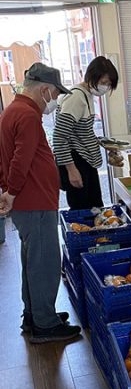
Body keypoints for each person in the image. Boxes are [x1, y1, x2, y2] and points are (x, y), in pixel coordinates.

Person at [0, 63, 81, 343]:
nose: (56, 100)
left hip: (29, 201)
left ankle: (35, 315)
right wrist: (10, 192)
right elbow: (20, 161)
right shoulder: (27, 115)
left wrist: (8, 191)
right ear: (45, 90)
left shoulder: (14, 110)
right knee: (45, 261)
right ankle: (45, 325)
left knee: (32, 260)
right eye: (56, 94)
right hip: (33, 202)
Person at [53, 55, 118, 209]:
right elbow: (60, 137)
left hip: (86, 161)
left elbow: (82, 132)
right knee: (83, 212)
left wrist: (106, 143)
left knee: (95, 208)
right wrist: (72, 170)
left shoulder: (87, 95)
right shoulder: (76, 97)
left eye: (109, 85)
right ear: (91, 76)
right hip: (76, 162)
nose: (105, 87)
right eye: (103, 83)